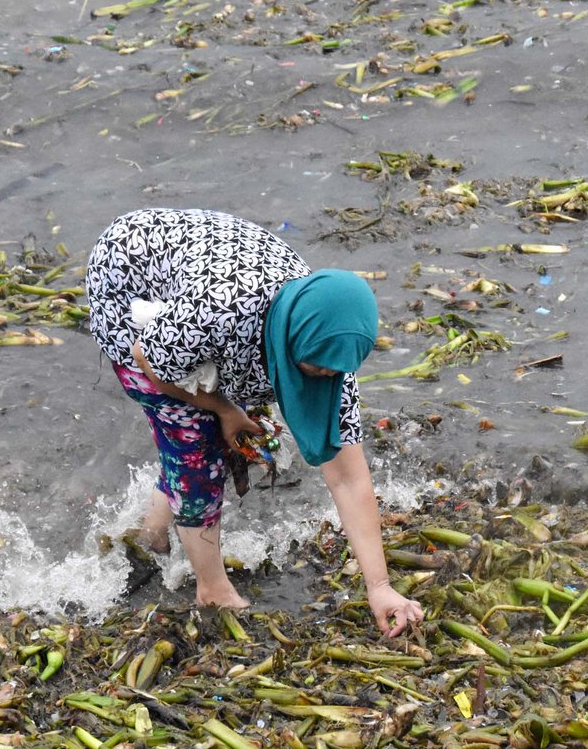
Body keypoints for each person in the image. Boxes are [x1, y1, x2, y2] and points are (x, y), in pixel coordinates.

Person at [85, 208, 424, 637]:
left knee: (241, 430)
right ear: (293, 338)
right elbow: (148, 360)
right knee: (196, 441)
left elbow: (349, 478)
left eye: (333, 372)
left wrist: (380, 586)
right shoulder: (221, 312)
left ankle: (150, 531)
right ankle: (212, 588)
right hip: (128, 272)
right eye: (314, 370)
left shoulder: (332, 342)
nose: (325, 379)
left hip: (212, 291)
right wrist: (225, 409)